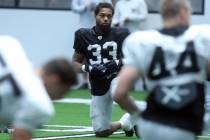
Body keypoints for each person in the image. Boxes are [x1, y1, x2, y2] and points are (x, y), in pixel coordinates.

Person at [113, 0, 210, 140]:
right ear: (183, 12)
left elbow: (119, 94)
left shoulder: (142, 41)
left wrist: (137, 114)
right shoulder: (201, 36)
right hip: (184, 123)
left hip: (151, 125)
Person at [72, 2, 133, 137]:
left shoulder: (121, 33)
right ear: (95, 16)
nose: (106, 19)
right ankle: (125, 122)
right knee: (101, 132)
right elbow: (74, 63)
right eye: (102, 15)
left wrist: (117, 62)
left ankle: (141, 113)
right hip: (97, 82)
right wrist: (89, 68)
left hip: (116, 76)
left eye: (109, 16)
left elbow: (132, 58)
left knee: (118, 93)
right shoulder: (83, 35)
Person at [0, 36, 77, 140]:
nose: (59, 98)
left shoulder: (10, 44)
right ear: (54, 79)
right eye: (62, 92)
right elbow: (19, 136)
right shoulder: (40, 105)